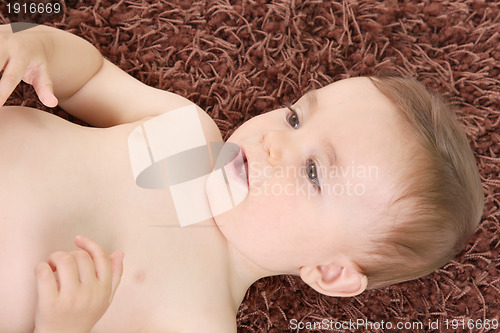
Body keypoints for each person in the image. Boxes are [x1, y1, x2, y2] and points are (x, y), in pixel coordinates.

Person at [0, 24, 484, 332]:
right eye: (295, 117)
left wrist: (62, 326)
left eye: (313, 171)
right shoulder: (187, 133)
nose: (274, 140)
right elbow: (88, 78)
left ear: (330, 272)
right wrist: (35, 48)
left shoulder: (195, 319)